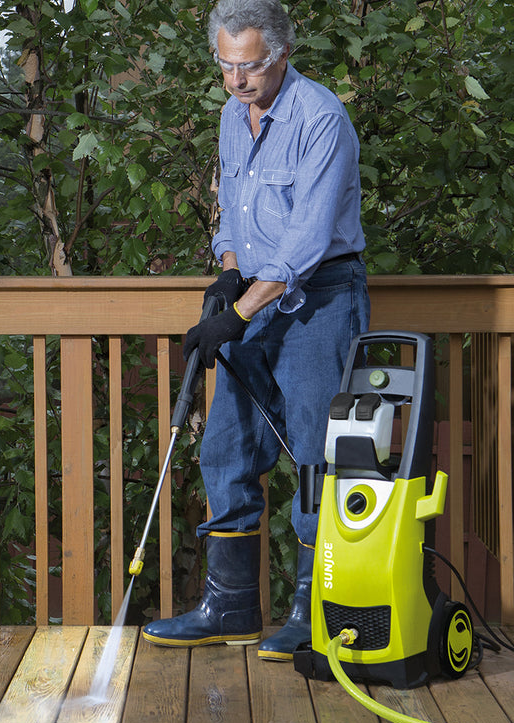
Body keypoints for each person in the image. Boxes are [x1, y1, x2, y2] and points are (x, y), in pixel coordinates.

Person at [142, 0, 370, 660]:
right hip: (256, 296)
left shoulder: (320, 117)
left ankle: (312, 611)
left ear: (281, 55)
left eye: (249, 67)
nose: (237, 80)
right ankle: (230, 606)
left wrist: (234, 316)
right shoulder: (231, 117)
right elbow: (235, 210)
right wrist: (228, 273)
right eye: (225, 66)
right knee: (228, 444)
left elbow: (304, 242)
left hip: (320, 299)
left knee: (313, 456)